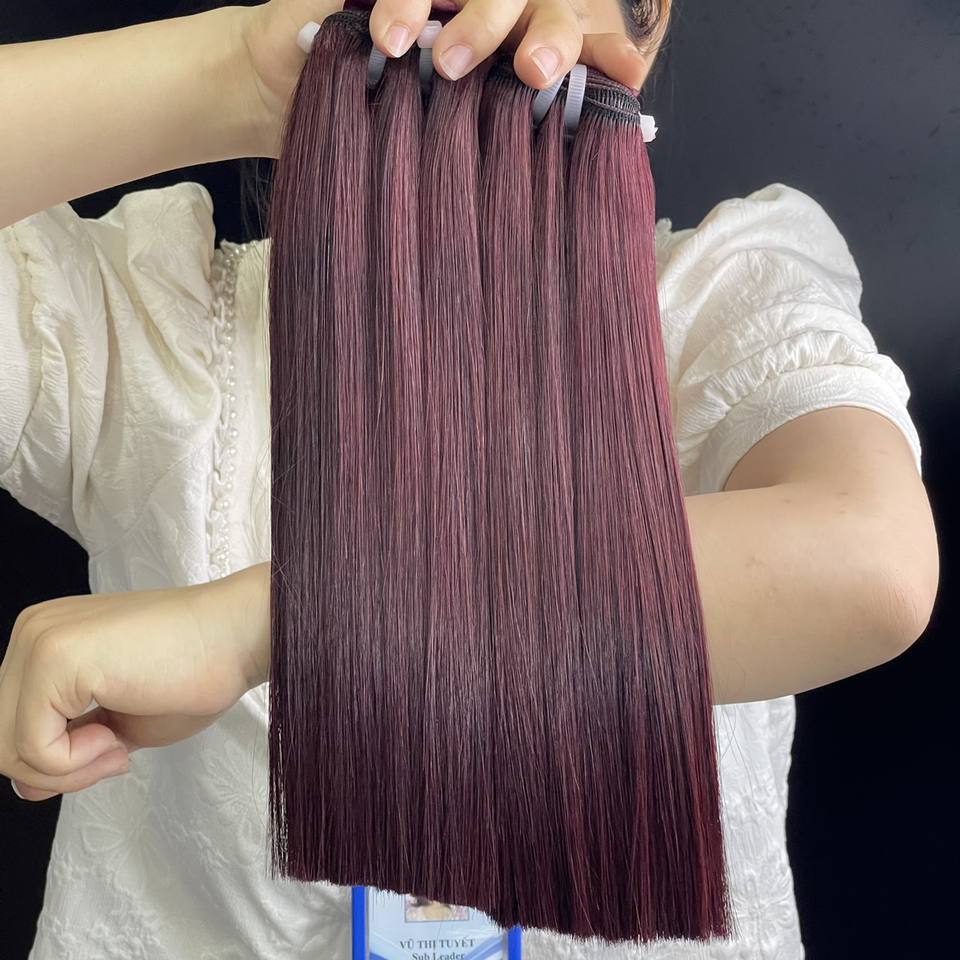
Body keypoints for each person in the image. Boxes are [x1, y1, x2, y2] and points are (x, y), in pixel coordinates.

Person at [0, 1, 939, 957]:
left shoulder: (725, 303)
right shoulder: (146, 325)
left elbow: (871, 560)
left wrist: (259, 626)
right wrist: (238, 71)